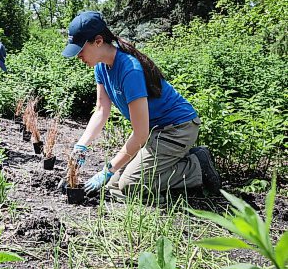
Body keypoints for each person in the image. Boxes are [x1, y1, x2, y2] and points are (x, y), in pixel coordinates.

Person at [63, 11, 221, 200]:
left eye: (80, 49)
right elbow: (101, 110)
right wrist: (81, 146)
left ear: (98, 41)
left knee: (131, 186)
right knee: (114, 186)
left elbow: (140, 134)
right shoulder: (101, 67)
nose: (78, 56)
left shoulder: (130, 70)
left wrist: (107, 169)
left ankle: (195, 166)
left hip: (178, 129)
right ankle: (169, 164)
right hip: (154, 132)